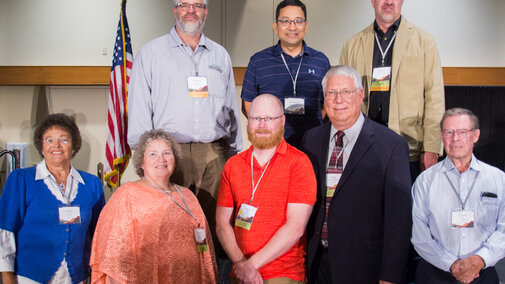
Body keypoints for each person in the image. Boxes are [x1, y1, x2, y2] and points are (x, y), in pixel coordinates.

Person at [126, 0, 242, 277]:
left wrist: (235, 152)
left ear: (206, 10)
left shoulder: (220, 54)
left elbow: (230, 108)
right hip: (168, 154)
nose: (191, 10)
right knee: (169, 227)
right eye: (184, 4)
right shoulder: (151, 53)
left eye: (198, 4)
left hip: (214, 154)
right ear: (174, 9)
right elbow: (140, 108)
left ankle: (213, 277)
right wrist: (144, 156)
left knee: (215, 227)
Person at [302, 65, 412, 283]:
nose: (338, 100)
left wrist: (390, 276)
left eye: (345, 92)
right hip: (317, 264)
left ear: (360, 95)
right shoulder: (310, 140)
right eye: (331, 93)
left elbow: (398, 220)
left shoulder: (391, 145)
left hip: (364, 267)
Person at [90, 129, 217, 283]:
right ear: (141, 162)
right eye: (153, 154)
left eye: (166, 153)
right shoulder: (126, 195)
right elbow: (113, 257)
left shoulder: (188, 196)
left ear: (175, 159)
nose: (161, 159)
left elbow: (204, 246)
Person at [339, 0, 445, 179]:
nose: (388, 2)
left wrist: (432, 147)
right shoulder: (353, 44)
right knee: (366, 206)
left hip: (408, 146)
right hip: (363, 146)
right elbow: (342, 97)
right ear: (373, 2)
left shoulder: (424, 42)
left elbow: (435, 98)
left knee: (403, 205)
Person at [216, 94, 317, 283]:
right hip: (240, 269)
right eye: (256, 118)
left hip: (282, 272)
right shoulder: (233, 165)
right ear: (248, 121)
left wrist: (251, 266)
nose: (262, 125)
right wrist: (241, 263)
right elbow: (222, 224)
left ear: (282, 121)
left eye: (269, 119)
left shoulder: (299, 163)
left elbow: (295, 228)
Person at [0, 113, 105, 284]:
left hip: (77, 278)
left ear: (74, 146)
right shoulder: (21, 180)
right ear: (41, 146)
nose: (56, 145)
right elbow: (5, 231)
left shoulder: (92, 184)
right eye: (49, 140)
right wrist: (6, 277)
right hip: (30, 278)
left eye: (64, 140)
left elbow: (100, 236)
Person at [411, 108, 505, 284]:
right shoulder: (425, 181)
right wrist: (451, 264)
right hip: (434, 274)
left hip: (482, 275)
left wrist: (479, 259)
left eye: (462, 132)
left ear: (475, 135)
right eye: (449, 132)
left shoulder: (497, 179)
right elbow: (419, 235)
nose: (455, 139)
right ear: (441, 136)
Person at [241, 0, 331, 148]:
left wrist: (311, 127)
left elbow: (327, 103)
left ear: (306, 26)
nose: (292, 27)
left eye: (298, 21)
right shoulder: (258, 61)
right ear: (275, 27)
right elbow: (249, 103)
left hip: (312, 145)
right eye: (285, 21)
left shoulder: (320, 61)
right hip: (271, 146)